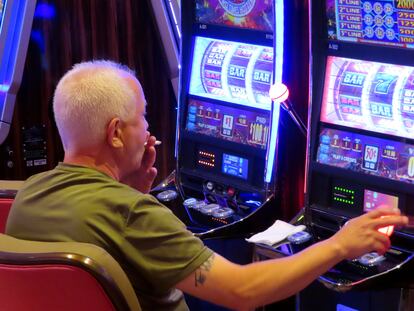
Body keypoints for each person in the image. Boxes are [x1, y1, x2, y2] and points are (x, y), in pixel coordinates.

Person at [6, 60, 408, 311]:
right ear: (115, 134)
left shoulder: (29, 195)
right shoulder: (131, 214)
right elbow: (244, 291)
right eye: (143, 118)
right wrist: (340, 243)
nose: (149, 129)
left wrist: (134, 190)